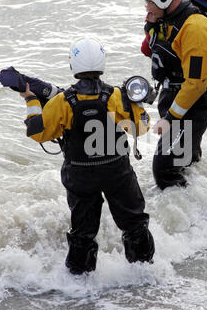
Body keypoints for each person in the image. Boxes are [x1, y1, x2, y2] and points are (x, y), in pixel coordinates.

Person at [19, 36, 155, 275]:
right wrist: (138, 104)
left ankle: (80, 284)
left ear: (73, 65)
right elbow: (141, 127)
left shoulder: (62, 101)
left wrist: (32, 101)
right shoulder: (116, 96)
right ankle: (144, 273)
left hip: (80, 175)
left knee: (82, 232)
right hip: (117, 172)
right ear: (102, 63)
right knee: (134, 224)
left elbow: (37, 132)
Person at [138, 0, 207, 190]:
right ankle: (203, 203)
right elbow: (149, 50)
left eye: (149, 2)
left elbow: (196, 84)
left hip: (194, 101)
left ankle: (187, 216)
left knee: (164, 168)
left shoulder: (196, 28)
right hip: (174, 94)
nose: (146, 7)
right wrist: (151, 27)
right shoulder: (166, 18)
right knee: (185, 159)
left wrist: (171, 118)